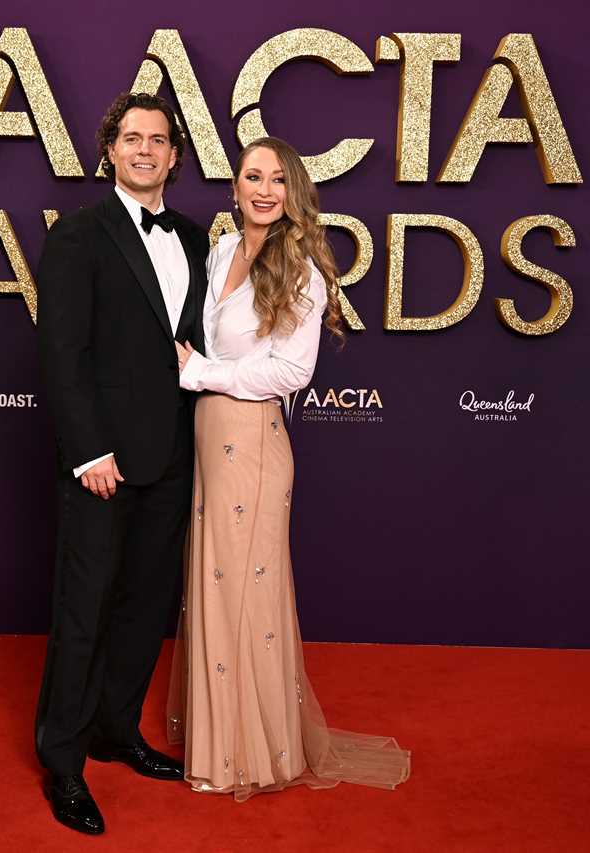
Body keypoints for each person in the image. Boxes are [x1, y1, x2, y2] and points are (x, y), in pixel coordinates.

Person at [169, 137, 411, 800]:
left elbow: (291, 370)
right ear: (236, 185)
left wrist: (202, 372)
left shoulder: (299, 263)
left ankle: (253, 754)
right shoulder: (220, 251)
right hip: (209, 442)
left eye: (278, 178)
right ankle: (220, 743)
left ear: (293, 189)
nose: (265, 189)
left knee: (250, 596)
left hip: (254, 442)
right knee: (215, 588)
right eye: (253, 176)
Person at [33, 92, 210, 835]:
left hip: (174, 455)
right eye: (131, 138)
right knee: (86, 607)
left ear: (175, 154)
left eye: (158, 139)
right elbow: (61, 354)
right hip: (104, 461)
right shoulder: (79, 236)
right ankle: (63, 759)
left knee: (143, 606)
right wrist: (88, 451)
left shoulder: (197, 237)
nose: (145, 150)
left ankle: (116, 729)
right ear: (110, 151)